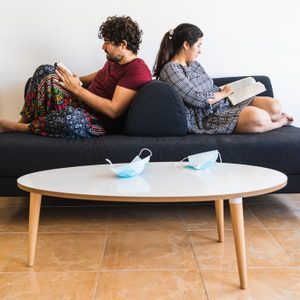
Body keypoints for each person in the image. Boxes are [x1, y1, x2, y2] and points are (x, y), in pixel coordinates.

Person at [0, 16, 152, 137]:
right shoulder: (115, 59)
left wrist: (77, 90)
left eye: (107, 42)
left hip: (96, 122)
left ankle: (22, 129)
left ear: (123, 44)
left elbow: (114, 110)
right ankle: (22, 122)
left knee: (69, 118)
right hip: (81, 105)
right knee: (45, 70)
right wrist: (75, 80)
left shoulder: (137, 70)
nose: (103, 47)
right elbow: (100, 75)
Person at [153, 23, 293, 134]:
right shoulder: (171, 69)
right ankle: (278, 123)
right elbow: (197, 99)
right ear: (186, 45)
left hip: (224, 102)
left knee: (274, 106)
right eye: (198, 45)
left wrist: (227, 93)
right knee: (259, 118)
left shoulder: (194, 64)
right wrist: (223, 93)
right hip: (208, 116)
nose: (200, 50)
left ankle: (272, 118)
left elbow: (209, 85)